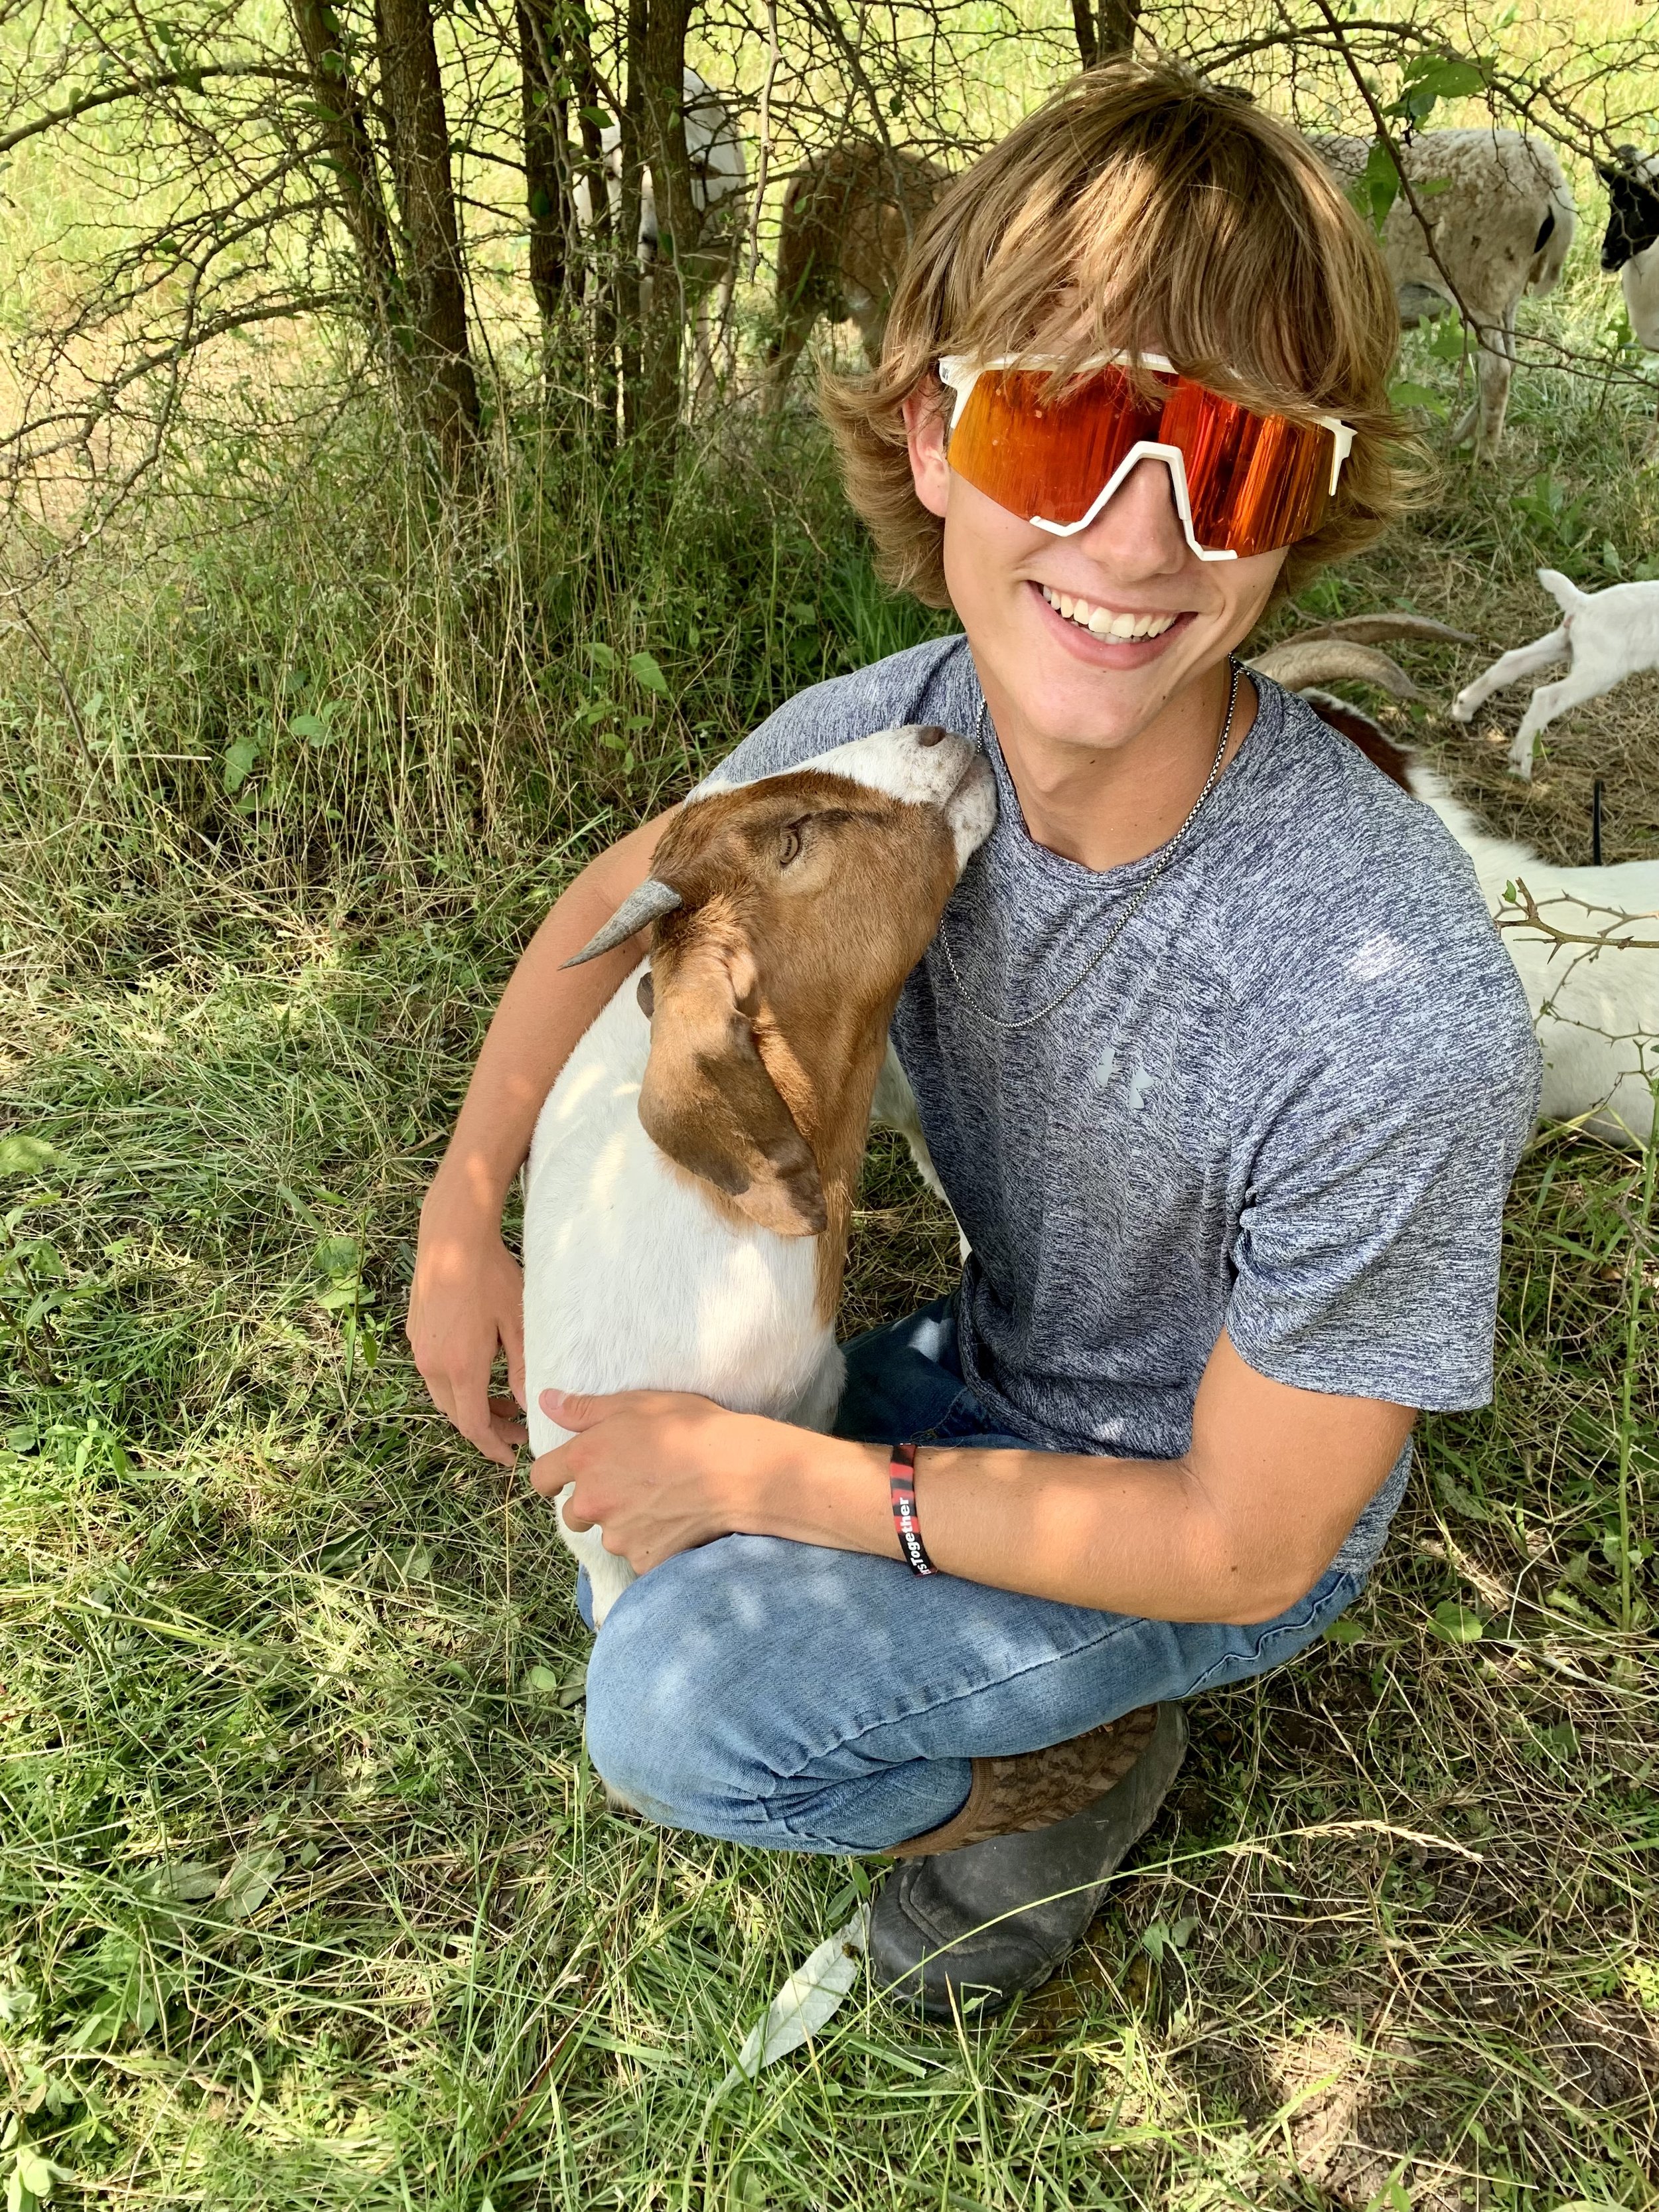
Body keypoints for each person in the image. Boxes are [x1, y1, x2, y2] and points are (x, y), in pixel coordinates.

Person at [407, 62, 1541, 2018]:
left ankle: (1064, 1785)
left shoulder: (1388, 996)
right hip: (985, 1378)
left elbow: (1249, 1540)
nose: (1133, 538)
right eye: (1065, 417)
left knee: (678, 1711)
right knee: (631, 1494)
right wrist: (463, 1203)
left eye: (1237, 463)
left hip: (1197, 1509)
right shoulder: (901, 734)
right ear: (931, 432)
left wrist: (771, 1485)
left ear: (1304, 515)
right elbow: (622, 903)